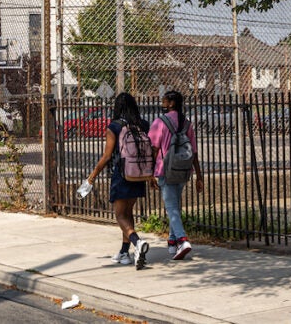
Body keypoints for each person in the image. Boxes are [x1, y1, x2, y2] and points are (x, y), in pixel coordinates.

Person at [86, 92, 151, 269]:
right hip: (139, 175)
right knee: (129, 213)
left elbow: (107, 156)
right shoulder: (143, 124)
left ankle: (137, 243)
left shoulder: (114, 126)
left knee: (120, 215)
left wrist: (92, 176)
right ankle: (124, 252)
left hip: (122, 174)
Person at [148, 90, 203, 259]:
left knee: (171, 207)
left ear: (171, 103)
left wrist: (150, 172)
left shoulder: (159, 122)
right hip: (184, 170)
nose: (162, 103)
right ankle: (172, 242)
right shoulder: (187, 124)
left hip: (166, 170)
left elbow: (154, 149)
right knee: (175, 205)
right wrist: (199, 177)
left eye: (164, 101)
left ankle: (182, 239)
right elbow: (193, 152)